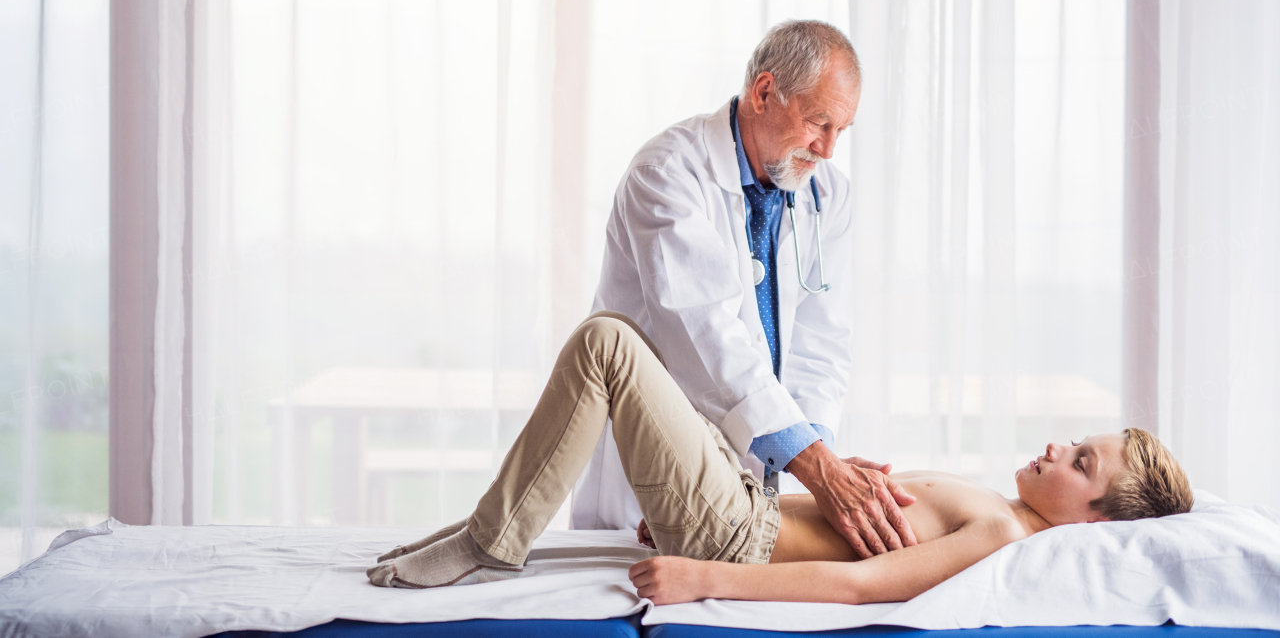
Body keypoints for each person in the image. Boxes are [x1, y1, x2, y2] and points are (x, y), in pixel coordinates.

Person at [367, 315, 1193, 602]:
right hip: (742, 502)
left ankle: (488, 540)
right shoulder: (1000, 512)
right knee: (636, 345)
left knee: (607, 346)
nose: (1057, 446)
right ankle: (486, 528)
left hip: (734, 534)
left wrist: (707, 576)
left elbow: (862, 584)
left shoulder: (1004, 536)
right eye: (1076, 441)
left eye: (1080, 460)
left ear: (1093, 518)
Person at [576, 20, 913, 560]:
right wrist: (816, 465)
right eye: (818, 122)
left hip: (747, 497)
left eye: (840, 131)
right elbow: (706, 338)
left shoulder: (828, 194)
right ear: (763, 92)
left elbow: (822, 343)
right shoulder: (667, 175)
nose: (827, 149)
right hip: (646, 471)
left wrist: (815, 456)